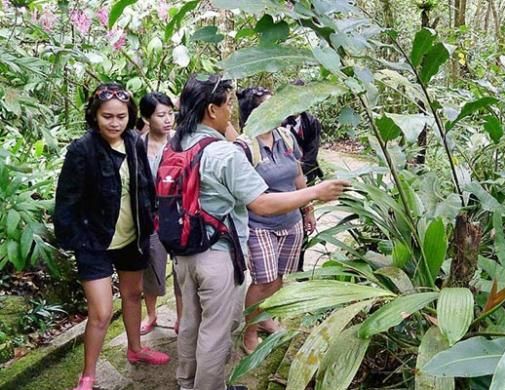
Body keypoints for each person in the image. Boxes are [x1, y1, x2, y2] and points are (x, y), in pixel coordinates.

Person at [165, 75, 348, 390]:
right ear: (212, 109)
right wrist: (316, 193)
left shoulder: (175, 143)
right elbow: (261, 204)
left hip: (183, 251)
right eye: (227, 107)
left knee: (192, 322)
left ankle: (187, 383)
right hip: (216, 254)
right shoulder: (224, 153)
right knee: (217, 330)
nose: (230, 114)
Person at [54, 83, 170, 390]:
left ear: (130, 116)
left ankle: (135, 349)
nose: (114, 123)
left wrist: (151, 219)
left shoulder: (134, 140)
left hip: (132, 237)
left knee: (133, 296)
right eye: (107, 116)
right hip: (94, 242)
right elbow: (66, 200)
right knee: (102, 312)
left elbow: (144, 183)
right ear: (95, 115)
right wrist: (76, 240)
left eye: (121, 116)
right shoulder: (82, 149)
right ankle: (88, 375)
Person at [236, 87, 316, 353]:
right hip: (259, 225)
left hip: (290, 223)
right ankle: (249, 329)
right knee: (262, 282)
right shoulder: (244, 146)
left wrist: (308, 209)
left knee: (279, 278)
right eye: (273, 105)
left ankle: (265, 319)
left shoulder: (286, 137)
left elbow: (297, 176)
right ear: (257, 112)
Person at [137, 92, 182, 335]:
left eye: (170, 114)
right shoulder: (138, 144)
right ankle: (151, 314)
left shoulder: (180, 142)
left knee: (181, 269)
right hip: (151, 217)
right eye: (160, 115)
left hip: (178, 215)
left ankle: (181, 317)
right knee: (152, 267)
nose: (167, 120)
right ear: (146, 117)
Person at [282, 80, 324, 185]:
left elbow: (312, 150)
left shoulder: (312, 122)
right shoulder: (279, 122)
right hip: (284, 173)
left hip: (306, 171)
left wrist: (302, 171)